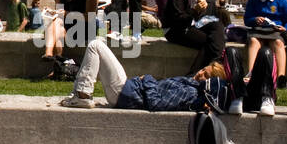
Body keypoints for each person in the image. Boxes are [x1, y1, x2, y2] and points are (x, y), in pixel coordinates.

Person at [60, 36, 227, 109]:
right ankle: (81, 94)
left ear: (210, 83)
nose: (200, 74)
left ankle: (82, 96)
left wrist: (147, 78)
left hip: (124, 94)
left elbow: (156, 104)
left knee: (96, 45)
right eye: (203, 70)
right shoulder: (190, 84)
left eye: (206, 76)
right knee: (97, 46)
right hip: (128, 90)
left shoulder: (190, 92)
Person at [234, 0, 287, 115]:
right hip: (258, 30)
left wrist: (285, 28)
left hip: (274, 30)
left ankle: (281, 76)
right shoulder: (253, 0)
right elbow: (247, 19)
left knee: (279, 44)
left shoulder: (281, 1)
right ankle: (250, 73)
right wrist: (255, 19)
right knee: (254, 42)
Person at [41, 0, 98, 78]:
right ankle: (52, 58)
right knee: (56, 22)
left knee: (56, 28)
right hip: (66, 27)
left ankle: (54, 62)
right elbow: (59, 14)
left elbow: (90, 17)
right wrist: (52, 12)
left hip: (85, 28)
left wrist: (68, 14)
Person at [163, 0, 225, 75]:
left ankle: (216, 60)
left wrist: (202, 10)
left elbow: (198, 18)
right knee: (209, 41)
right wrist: (195, 10)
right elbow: (179, 19)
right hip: (174, 30)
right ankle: (194, 73)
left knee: (217, 25)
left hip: (189, 26)